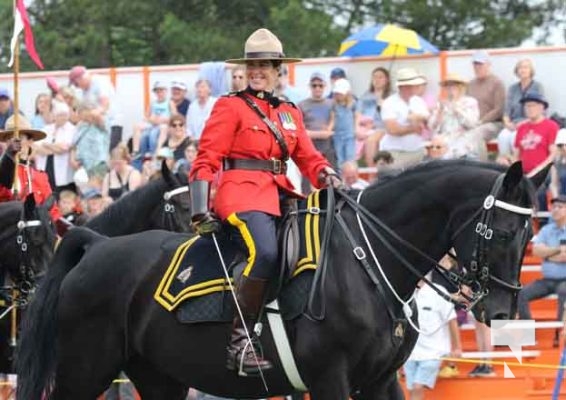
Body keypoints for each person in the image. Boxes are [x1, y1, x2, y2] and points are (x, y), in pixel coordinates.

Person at [188, 28, 342, 375]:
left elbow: (308, 156)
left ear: (278, 70)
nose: (258, 71)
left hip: (281, 193)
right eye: (252, 65)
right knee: (266, 251)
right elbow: (207, 156)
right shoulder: (230, 106)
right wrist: (200, 205)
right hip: (240, 192)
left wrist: (327, 174)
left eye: (266, 65)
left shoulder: (289, 112)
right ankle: (239, 344)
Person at [404, 275, 462, 400]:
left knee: (417, 387)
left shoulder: (438, 291)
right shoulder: (405, 291)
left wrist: (457, 347)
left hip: (434, 352)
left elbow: (451, 319)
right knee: (412, 390)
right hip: (411, 353)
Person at [0, 116, 61, 221]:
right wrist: (9, 157)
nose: (14, 142)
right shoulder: (3, 169)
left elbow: (53, 213)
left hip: (36, 232)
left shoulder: (40, 176)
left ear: (30, 141)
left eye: (20, 138)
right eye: (10, 139)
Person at [518, 195, 566, 324]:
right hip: (547, 280)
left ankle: (559, 335)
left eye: (560, 207)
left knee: (564, 292)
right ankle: (528, 334)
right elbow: (536, 251)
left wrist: (547, 253)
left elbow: (564, 256)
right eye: (554, 207)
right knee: (521, 294)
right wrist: (557, 250)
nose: (555, 210)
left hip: (565, 280)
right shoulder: (546, 230)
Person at [380, 68, 428, 169]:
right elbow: (392, 129)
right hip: (395, 152)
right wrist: (414, 128)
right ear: (402, 87)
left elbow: (427, 123)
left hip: (417, 150)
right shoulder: (389, 103)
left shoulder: (419, 101)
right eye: (411, 86)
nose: (414, 88)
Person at [68, 65, 123, 151]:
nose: (76, 87)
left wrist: (92, 114)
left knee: (108, 151)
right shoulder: (84, 91)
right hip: (97, 125)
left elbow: (104, 105)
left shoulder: (99, 82)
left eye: (76, 84)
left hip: (112, 123)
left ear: (80, 79)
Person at [497, 58, 545, 156]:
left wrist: (523, 123)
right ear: (517, 71)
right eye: (520, 68)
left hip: (530, 124)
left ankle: (518, 167)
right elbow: (506, 111)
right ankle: (506, 166)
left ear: (531, 70)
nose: (523, 70)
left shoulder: (537, 86)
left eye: (526, 67)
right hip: (513, 124)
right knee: (502, 137)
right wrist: (507, 123)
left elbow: (541, 111)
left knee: (514, 138)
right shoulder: (512, 88)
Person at [429, 73, 480, 159]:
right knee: (437, 148)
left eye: (453, 86)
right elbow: (432, 126)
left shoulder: (470, 102)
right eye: (447, 86)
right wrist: (439, 113)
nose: (450, 89)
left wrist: (457, 109)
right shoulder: (441, 104)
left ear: (460, 87)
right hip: (444, 140)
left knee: (454, 151)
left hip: (464, 138)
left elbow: (472, 124)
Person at [466, 50, 506, 160]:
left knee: (476, 134)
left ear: (488, 65)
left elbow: (499, 108)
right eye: (475, 65)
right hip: (472, 123)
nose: (477, 68)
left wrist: (481, 122)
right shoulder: (470, 84)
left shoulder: (497, 83)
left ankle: (481, 165)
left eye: (480, 64)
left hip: (493, 123)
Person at [34, 102, 77, 194]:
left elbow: (64, 148)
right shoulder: (47, 128)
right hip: (46, 166)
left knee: (60, 194)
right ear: (54, 115)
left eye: (64, 115)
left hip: (62, 171)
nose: (62, 117)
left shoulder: (72, 129)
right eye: (60, 115)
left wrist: (47, 145)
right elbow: (37, 148)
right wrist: (55, 148)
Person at [356, 67, 391, 166]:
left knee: (370, 141)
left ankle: (372, 172)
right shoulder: (365, 96)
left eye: (380, 77)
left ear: (387, 80)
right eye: (375, 77)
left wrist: (383, 105)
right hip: (365, 127)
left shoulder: (391, 96)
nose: (377, 80)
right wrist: (357, 129)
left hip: (382, 127)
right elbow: (358, 114)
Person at [330, 78, 358, 167]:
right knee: (339, 158)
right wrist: (329, 129)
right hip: (337, 136)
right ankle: (341, 178)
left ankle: (351, 175)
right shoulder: (333, 105)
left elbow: (356, 116)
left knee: (350, 157)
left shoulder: (353, 104)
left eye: (341, 93)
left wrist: (356, 128)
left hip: (349, 135)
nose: (339, 95)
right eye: (337, 93)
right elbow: (332, 119)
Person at [550, 129, 566, 198]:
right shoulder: (557, 162)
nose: (564, 148)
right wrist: (557, 199)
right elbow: (553, 185)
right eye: (561, 145)